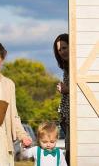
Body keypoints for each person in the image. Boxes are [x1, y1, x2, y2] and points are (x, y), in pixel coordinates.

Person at [53, 33, 69, 165]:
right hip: (66, 117)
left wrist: (67, 90)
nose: (62, 52)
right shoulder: (66, 67)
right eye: (59, 50)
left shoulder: (75, 66)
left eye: (64, 48)